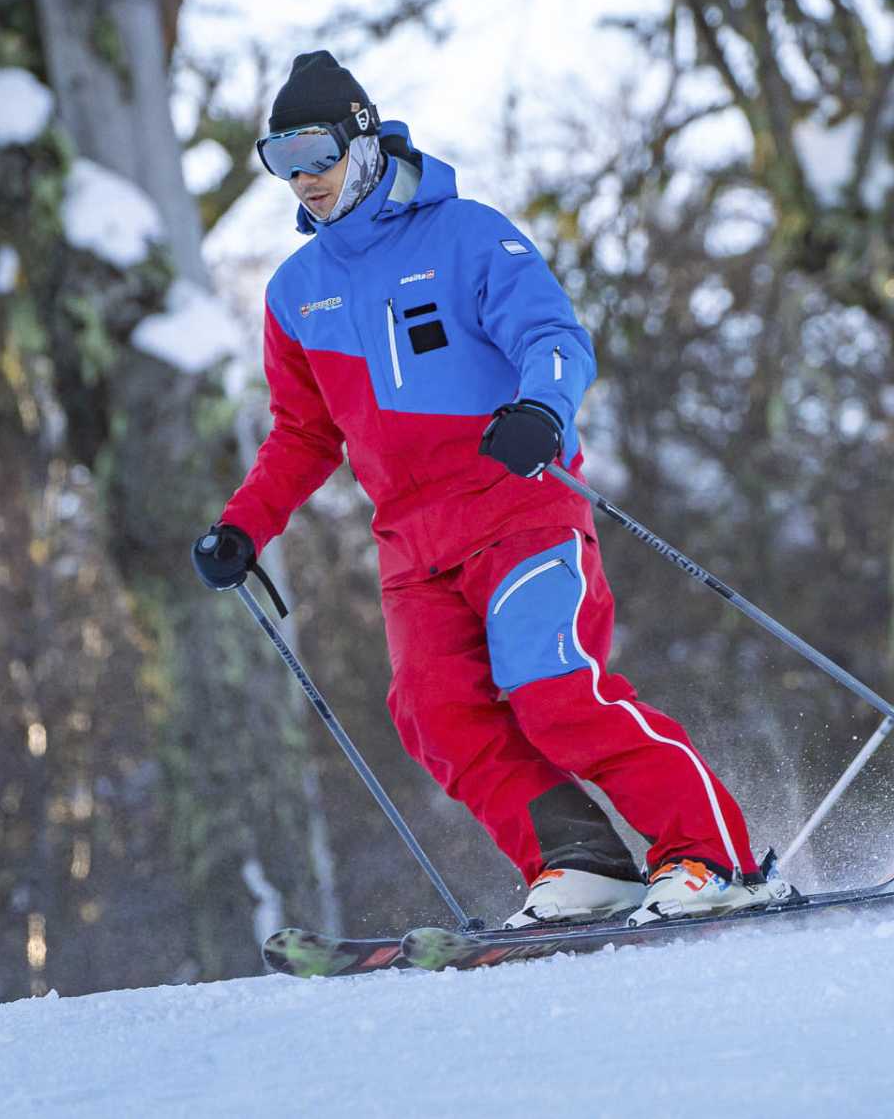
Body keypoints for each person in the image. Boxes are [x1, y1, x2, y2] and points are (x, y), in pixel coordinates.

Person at [192, 51, 784, 926]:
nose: (302, 178)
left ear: (361, 142)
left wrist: (542, 409)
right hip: (412, 546)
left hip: (519, 509)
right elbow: (303, 434)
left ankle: (714, 858)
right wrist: (244, 527)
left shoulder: (467, 233)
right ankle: (579, 866)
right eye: (280, 160)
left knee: (551, 688)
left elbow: (553, 335)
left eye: (315, 152)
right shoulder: (295, 293)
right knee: (435, 714)